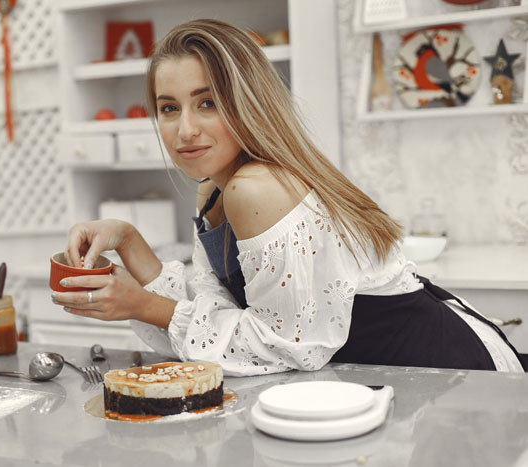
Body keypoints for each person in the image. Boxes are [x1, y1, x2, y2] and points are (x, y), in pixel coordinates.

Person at [51, 19, 525, 375]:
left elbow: (288, 346)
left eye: (208, 102)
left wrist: (139, 304)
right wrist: (129, 242)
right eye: (169, 108)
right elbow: (221, 311)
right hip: (383, 378)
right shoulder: (213, 187)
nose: (185, 130)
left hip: (448, 374)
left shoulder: (256, 189)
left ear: (247, 101)